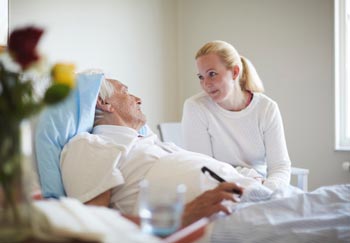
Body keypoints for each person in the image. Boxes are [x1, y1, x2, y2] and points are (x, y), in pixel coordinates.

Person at [59, 77, 256, 227]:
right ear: (103, 102)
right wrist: (178, 217)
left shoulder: (151, 143)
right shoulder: (91, 144)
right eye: (125, 92)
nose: (138, 99)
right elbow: (95, 223)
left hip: (248, 196)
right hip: (215, 220)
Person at [182, 40, 291, 191]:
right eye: (200, 77)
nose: (205, 83)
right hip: (218, 189)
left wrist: (269, 191)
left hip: (262, 188)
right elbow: (204, 166)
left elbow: (280, 166)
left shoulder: (267, 108)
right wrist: (250, 178)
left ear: (234, 72)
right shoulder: (196, 107)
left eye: (212, 74)